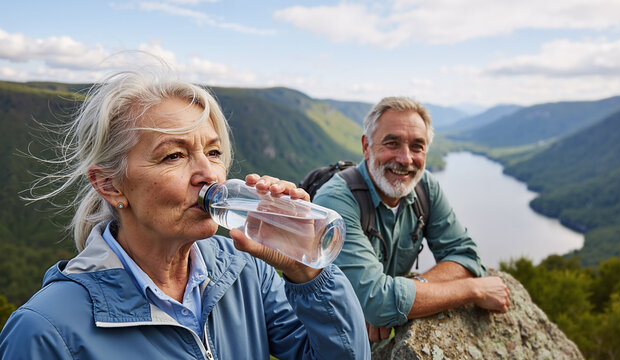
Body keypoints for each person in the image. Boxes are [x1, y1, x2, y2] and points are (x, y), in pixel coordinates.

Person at [0, 65, 370, 359]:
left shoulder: (245, 272)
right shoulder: (46, 330)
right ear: (110, 185)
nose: (209, 173)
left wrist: (306, 274)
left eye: (212, 152)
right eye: (174, 155)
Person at [313, 96, 511, 343]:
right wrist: (473, 290)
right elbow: (378, 302)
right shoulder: (335, 202)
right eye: (392, 143)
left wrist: (411, 290)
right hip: (322, 342)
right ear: (367, 146)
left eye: (417, 146)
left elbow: (467, 257)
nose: (405, 159)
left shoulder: (424, 188)